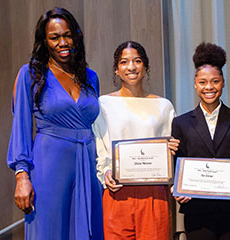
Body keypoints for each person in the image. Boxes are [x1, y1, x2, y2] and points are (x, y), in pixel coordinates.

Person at [7, 7, 103, 240]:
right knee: (48, 231)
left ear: (76, 36)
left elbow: (99, 128)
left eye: (67, 35)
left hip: (88, 166)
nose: (63, 42)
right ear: (45, 41)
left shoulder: (90, 77)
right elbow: (20, 126)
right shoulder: (30, 74)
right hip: (49, 165)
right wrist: (22, 176)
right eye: (55, 37)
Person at [92, 40, 179, 240]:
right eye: (124, 62)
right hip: (117, 191)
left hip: (154, 193)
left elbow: (169, 151)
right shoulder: (103, 105)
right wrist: (105, 172)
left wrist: (172, 149)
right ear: (116, 69)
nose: (131, 67)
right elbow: (101, 148)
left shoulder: (164, 106)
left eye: (137, 61)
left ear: (145, 66)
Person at [171, 42, 230, 240]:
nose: (209, 87)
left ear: (223, 82)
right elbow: (178, 166)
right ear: (195, 83)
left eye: (215, 81)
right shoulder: (180, 123)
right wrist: (177, 188)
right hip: (196, 209)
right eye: (203, 82)